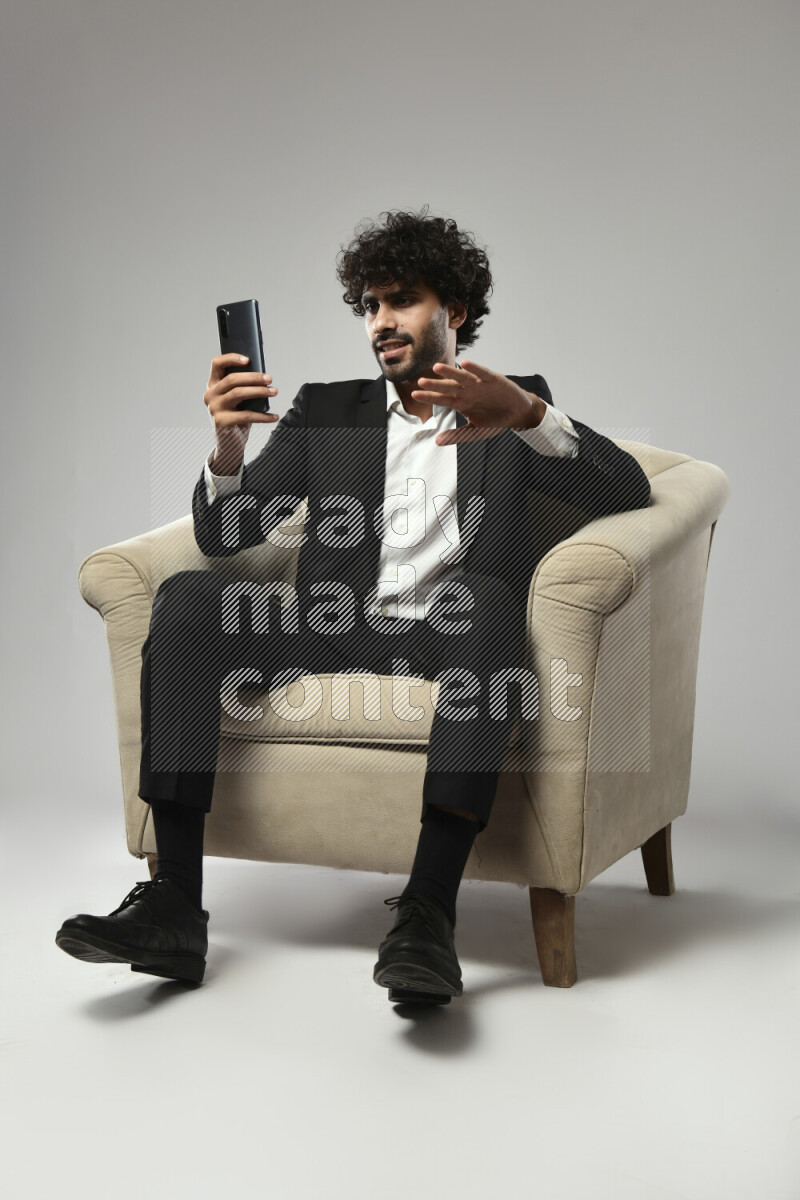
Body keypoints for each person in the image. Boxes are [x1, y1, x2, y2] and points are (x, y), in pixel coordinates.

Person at [56, 206, 651, 1004]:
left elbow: (626, 490)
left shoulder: (512, 405)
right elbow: (227, 533)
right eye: (370, 305)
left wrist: (535, 419)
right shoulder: (328, 410)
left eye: (401, 300)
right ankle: (174, 909)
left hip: (451, 634)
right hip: (332, 628)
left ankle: (427, 916)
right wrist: (228, 451)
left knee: (485, 600)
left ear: (456, 312)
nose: (380, 322)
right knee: (190, 599)